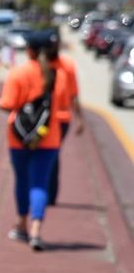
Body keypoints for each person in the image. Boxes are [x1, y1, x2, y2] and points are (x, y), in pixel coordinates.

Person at [0, 28, 72, 250]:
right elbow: (63, 105)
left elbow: (7, 105)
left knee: (22, 180)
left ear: (29, 50)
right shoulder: (59, 75)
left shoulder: (18, 73)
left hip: (19, 138)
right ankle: (36, 230)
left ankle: (22, 224)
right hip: (49, 138)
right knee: (40, 183)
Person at [46, 39, 85, 205]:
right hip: (43, 119)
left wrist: (80, 118)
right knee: (45, 155)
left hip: (61, 119)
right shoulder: (40, 65)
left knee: (52, 154)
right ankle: (42, 191)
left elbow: (74, 94)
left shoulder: (67, 65)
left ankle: (50, 194)